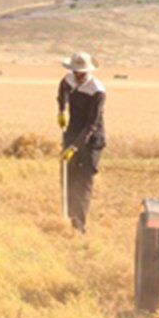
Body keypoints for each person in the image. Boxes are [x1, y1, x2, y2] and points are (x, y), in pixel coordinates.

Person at [57, 51, 106, 233]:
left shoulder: (97, 90)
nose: (77, 75)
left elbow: (91, 123)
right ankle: (68, 219)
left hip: (92, 139)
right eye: (75, 71)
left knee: (83, 181)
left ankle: (79, 227)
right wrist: (62, 110)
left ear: (88, 71)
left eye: (81, 72)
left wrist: (75, 147)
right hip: (72, 132)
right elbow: (62, 92)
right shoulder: (68, 79)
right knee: (68, 177)